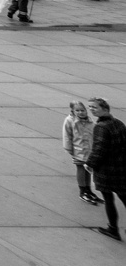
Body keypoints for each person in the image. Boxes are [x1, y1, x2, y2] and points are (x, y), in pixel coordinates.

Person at [88, 98, 126, 239]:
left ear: (105, 109)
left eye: (95, 107)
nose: (91, 109)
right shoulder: (118, 123)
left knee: (108, 199)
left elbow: (99, 149)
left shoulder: (101, 127)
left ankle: (113, 229)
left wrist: (90, 164)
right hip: (121, 168)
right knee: (124, 196)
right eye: (90, 107)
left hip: (106, 170)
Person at [66, 100, 104, 205]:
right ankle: (82, 191)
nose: (80, 112)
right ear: (72, 111)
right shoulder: (70, 121)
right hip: (78, 150)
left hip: (89, 150)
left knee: (87, 169)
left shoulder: (90, 120)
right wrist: (70, 150)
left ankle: (88, 190)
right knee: (81, 169)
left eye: (82, 110)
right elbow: (67, 137)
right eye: (77, 110)